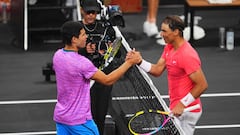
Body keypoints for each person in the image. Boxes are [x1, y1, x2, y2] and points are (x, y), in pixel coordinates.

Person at [53, 21, 140, 135]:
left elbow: (74, 74)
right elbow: (108, 80)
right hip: (80, 122)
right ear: (74, 39)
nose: (86, 37)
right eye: (83, 35)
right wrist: (129, 63)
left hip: (61, 118)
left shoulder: (58, 56)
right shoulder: (82, 63)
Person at [128, 15, 208, 135]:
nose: (161, 34)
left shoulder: (187, 55)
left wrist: (182, 104)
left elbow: (202, 85)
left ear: (176, 32)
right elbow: (157, 70)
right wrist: (139, 61)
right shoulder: (169, 47)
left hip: (187, 111)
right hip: (176, 108)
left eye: (164, 31)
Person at [78, 0, 119, 134]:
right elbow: (67, 52)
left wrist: (107, 50)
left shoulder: (106, 29)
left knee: (100, 114)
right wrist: (84, 50)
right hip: (82, 79)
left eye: (93, 12)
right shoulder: (75, 28)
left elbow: (116, 53)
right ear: (82, 10)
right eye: (88, 12)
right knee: (85, 114)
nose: (90, 15)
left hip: (102, 76)